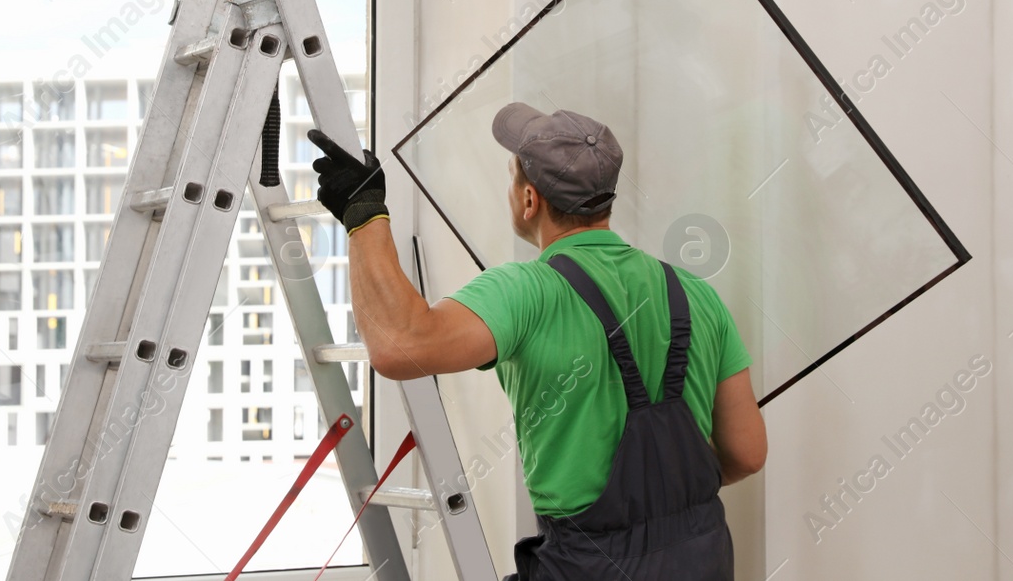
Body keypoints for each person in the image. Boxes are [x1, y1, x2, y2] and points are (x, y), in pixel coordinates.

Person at [308, 102, 766, 581]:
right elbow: (746, 453)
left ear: (529, 200)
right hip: (705, 558)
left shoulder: (526, 290)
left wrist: (364, 214)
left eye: (511, 178)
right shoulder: (698, 296)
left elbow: (399, 344)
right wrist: (664, 504)